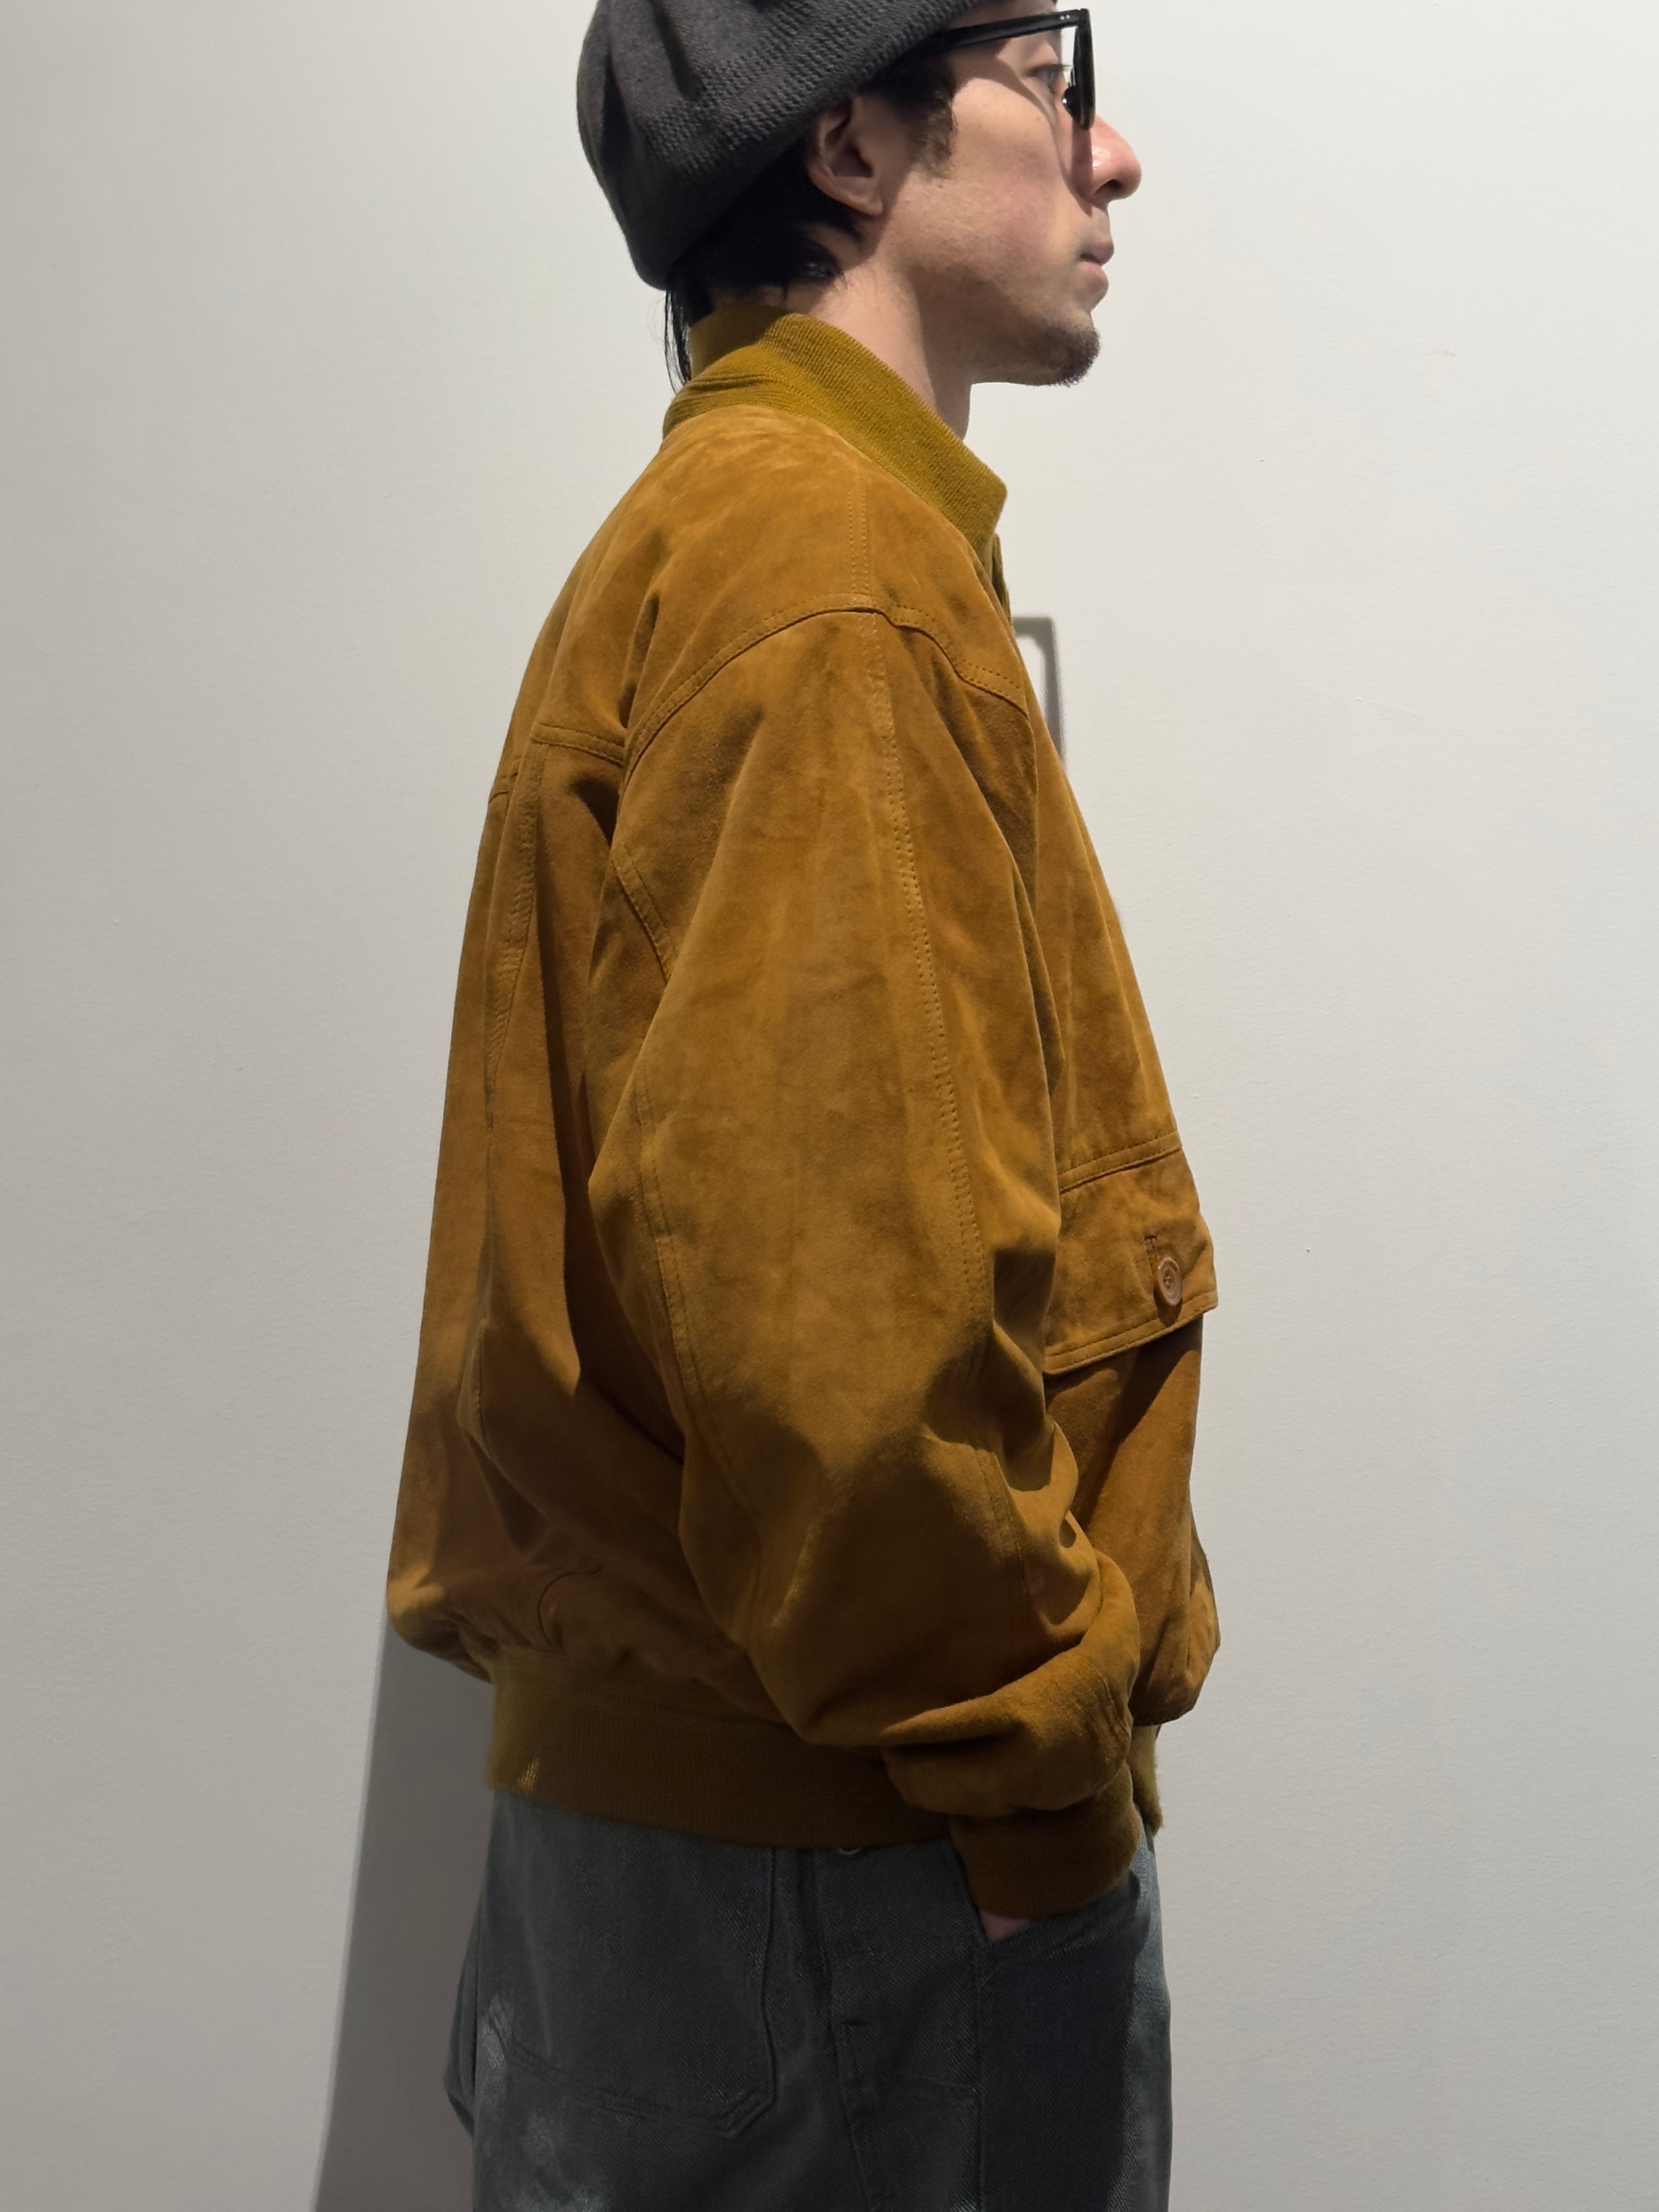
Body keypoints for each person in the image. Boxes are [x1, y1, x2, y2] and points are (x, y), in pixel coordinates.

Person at [387, 3, 1220, 2204]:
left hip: (727, 1878)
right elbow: (837, 1345)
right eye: (1051, 71)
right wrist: (1039, 1811)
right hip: (849, 1895)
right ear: (850, 148)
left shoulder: (739, 538)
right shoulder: (827, 582)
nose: (1113, 152)